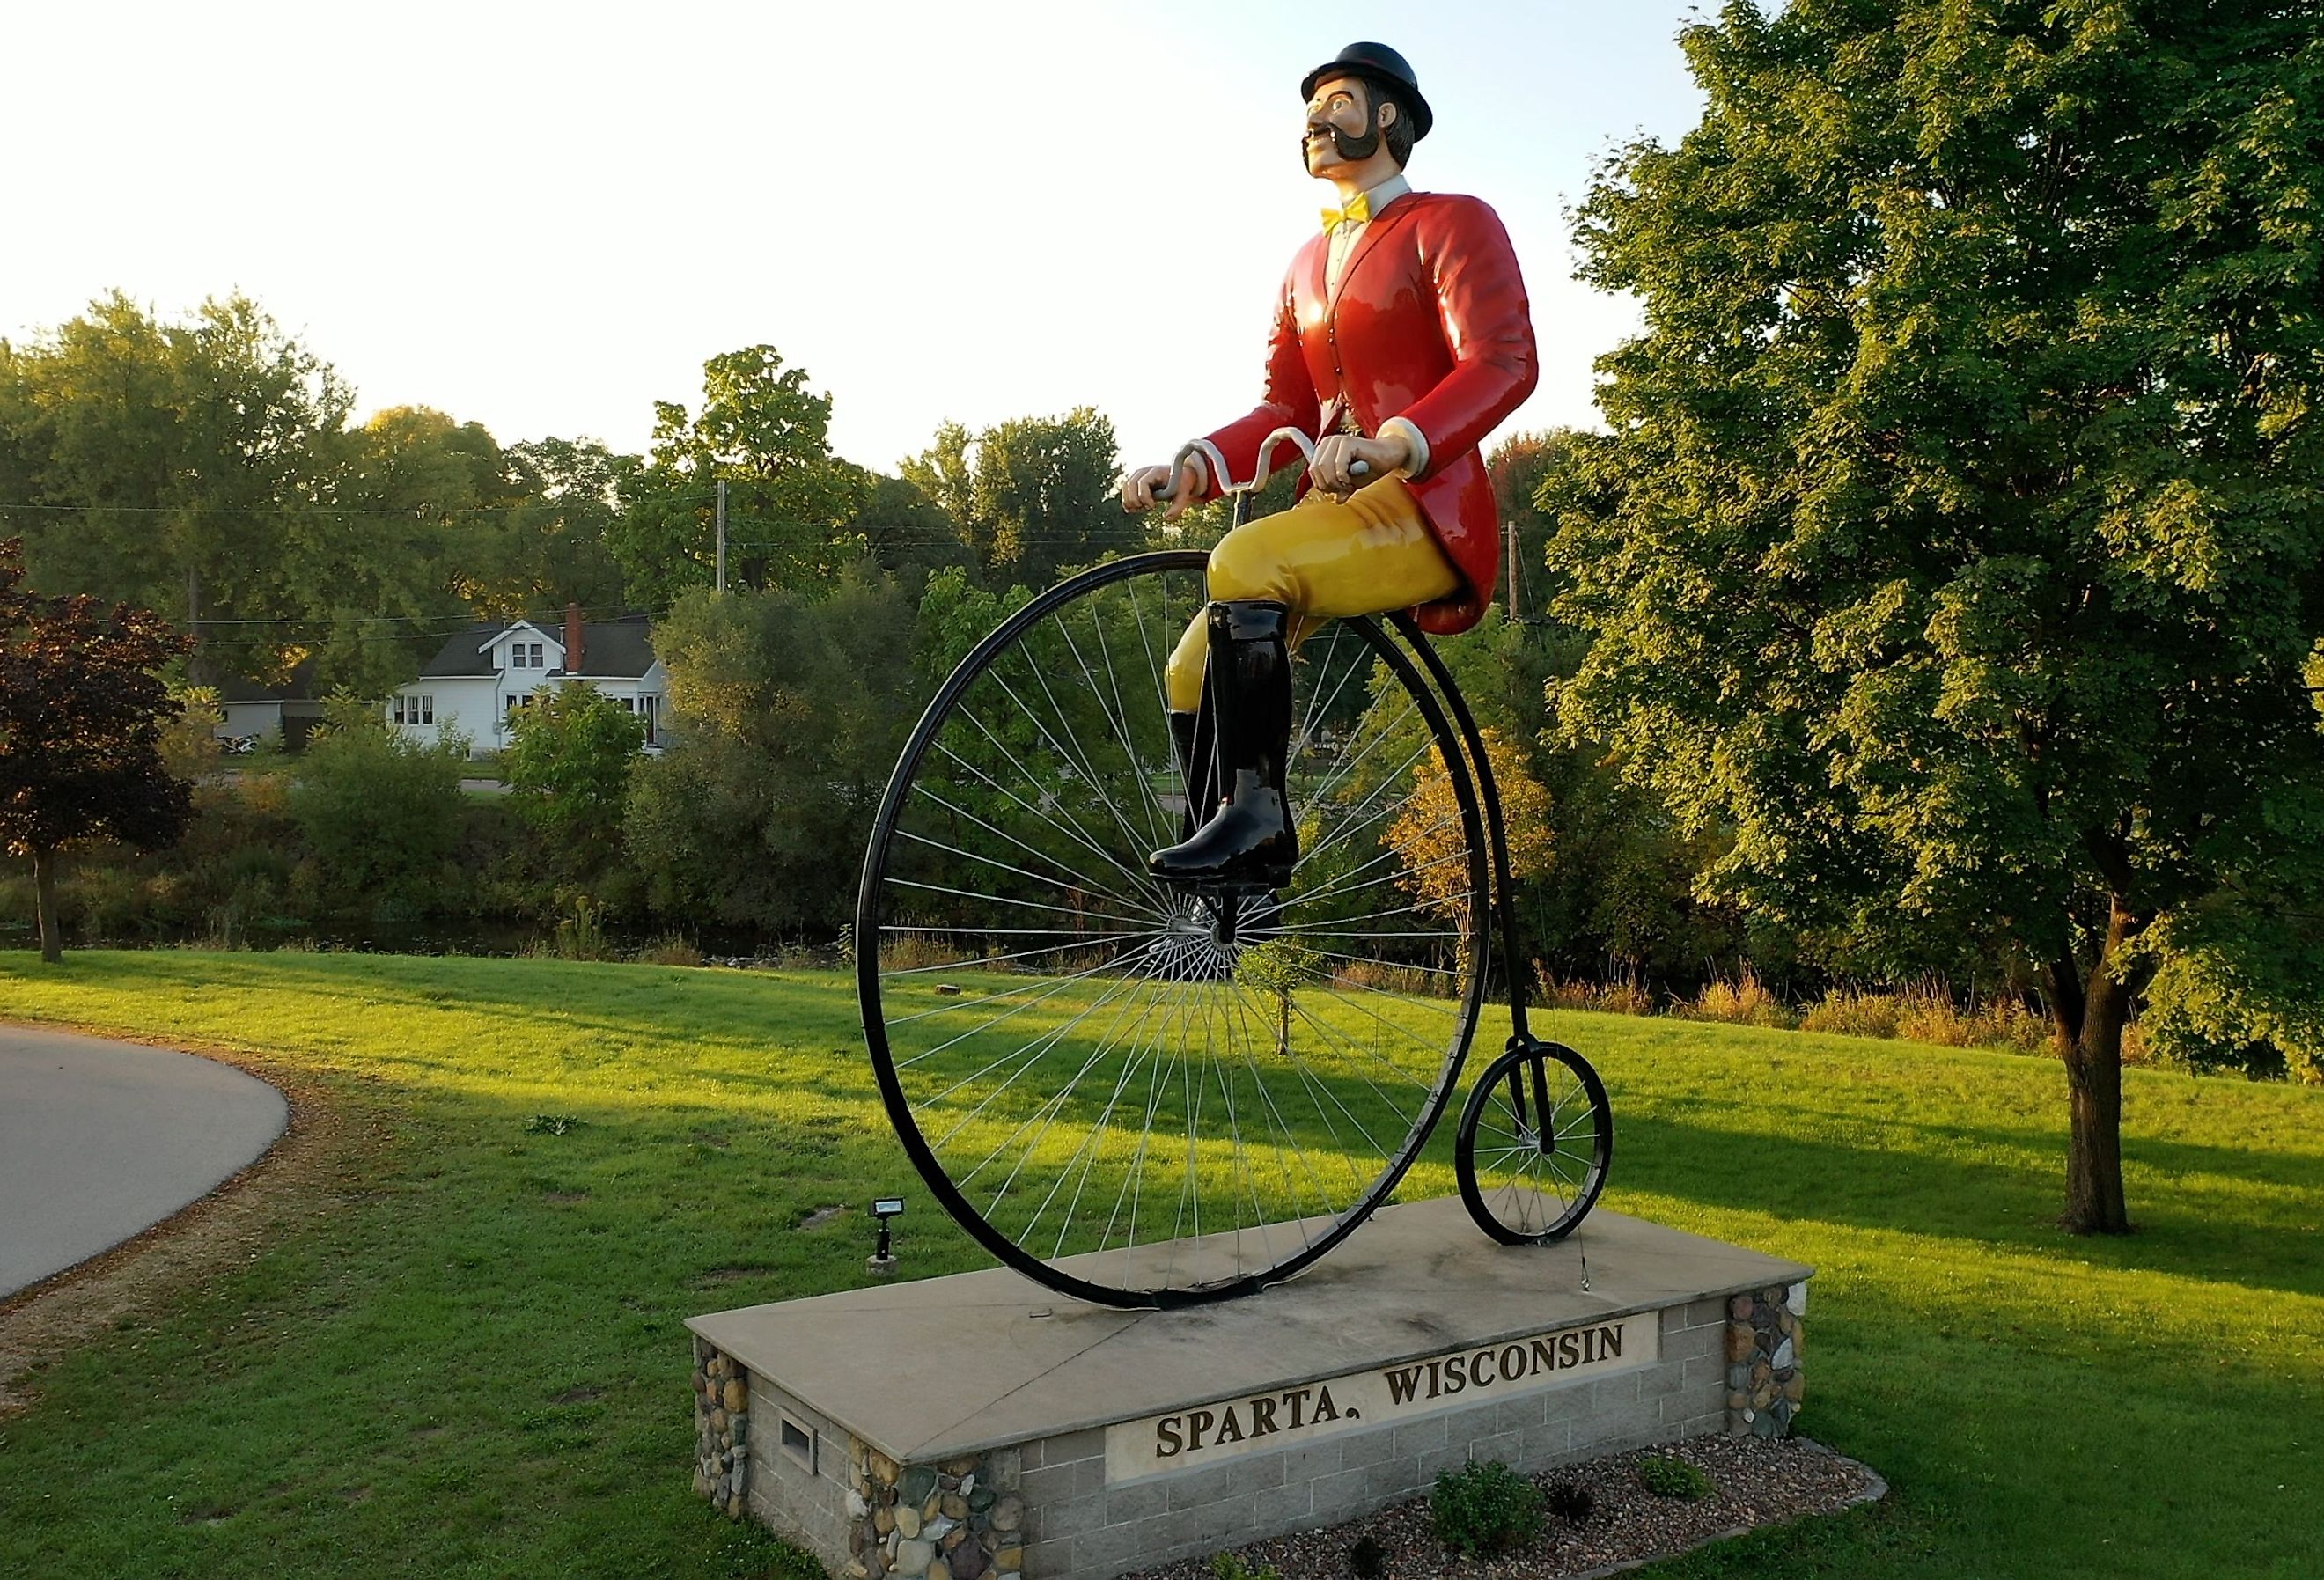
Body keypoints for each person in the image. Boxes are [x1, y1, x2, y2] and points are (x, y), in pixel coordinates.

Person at [1121, 41, 1540, 889]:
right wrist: (1197, 464)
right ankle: (1232, 885)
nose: (1317, 119)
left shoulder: (1453, 222)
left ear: (1388, 115)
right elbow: (1285, 411)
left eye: (1339, 101)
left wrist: (1398, 442)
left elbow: (1504, 361)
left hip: (1422, 507)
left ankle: (1263, 827)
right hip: (1335, 516)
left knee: (1241, 561)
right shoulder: (1304, 267)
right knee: (1191, 668)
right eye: (1312, 108)